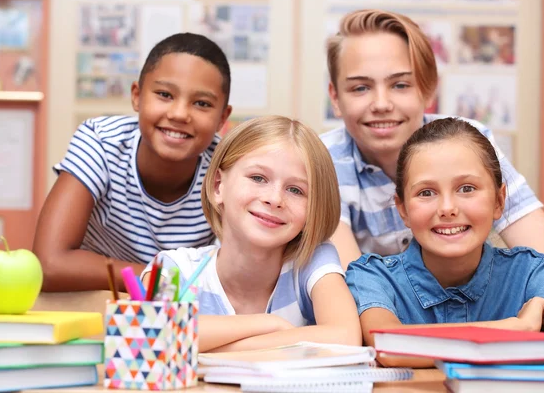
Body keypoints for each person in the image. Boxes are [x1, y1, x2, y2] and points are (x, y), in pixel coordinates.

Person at [321, 9, 544, 293]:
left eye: (400, 85)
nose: (381, 103)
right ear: (335, 98)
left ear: (428, 89)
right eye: (360, 88)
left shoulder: (470, 141)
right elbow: (352, 297)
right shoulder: (322, 161)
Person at [346, 118, 544, 366]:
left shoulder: (530, 271)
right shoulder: (371, 276)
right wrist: (517, 328)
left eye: (467, 188)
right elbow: (390, 347)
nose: (448, 208)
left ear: (499, 201)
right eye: (426, 193)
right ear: (403, 209)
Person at [141, 116, 361, 352]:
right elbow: (149, 337)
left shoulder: (312, 262)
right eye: (258, 178)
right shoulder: (171, 268)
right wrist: (268, 324)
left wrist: (209, 350)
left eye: (296, 190)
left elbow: (345, 337)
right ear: (218, 186)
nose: (275, 199)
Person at [33, 33, 233, 292]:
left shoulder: (227, 168)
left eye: (202, 103)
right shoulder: (101, 141)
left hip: (183, 319)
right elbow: (49, 264)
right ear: (137, 96)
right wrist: (164, 279)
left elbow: (236, 274)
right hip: (97, 309)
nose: (179, 114)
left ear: (222, 118)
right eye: (164, 94)